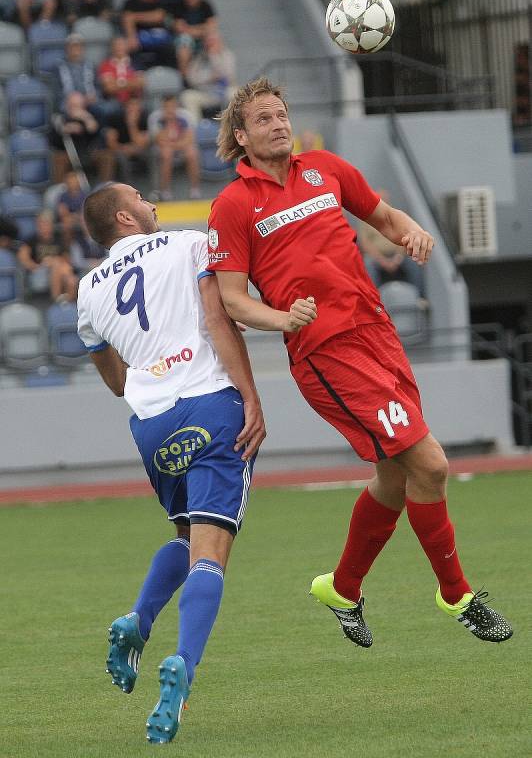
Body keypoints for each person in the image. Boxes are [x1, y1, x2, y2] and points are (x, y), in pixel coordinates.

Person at [206, 76, 513, 647]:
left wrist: (412, 231)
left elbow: (385, 218)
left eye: (282, 113)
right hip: (326, 352)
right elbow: (231, 298)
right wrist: (281, 319)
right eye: (264, 118)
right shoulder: (233, 203)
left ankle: (343, 589)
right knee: (432, 464)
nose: (278, 123)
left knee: (395, 476)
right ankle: (456, 596)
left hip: (375, 332)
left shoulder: (325, 168)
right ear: (241, 136)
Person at [77, 182, 265, 743]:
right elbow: (222, 314)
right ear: (124, 218)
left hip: (152, 424)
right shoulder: (187, 245)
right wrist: (251, 395)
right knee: (213, 551)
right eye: (141, 198)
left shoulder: (87, 291)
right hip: (210, 402)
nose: (152, 204)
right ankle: (184, 666)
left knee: (185, 535)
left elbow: (114, 381)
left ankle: (138, 620)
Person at [358, 188, 425, 297]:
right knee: (367, 264)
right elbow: (366, 244)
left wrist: (397, 258)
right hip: (377, 258)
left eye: (384, 200)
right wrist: (382, 261)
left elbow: (405, 238)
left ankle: (419, 298)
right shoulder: (365, 219)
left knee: (415, 263)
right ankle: (373, 300)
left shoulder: (396, 217)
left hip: (398, 256)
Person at [17, 209, 78, 301]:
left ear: (51, 225)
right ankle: (57, 299)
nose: (43, 227)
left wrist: (53, 260)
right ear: (37, 226)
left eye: (46, 224)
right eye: (40, 224)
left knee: (71, 280)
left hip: (59, 270)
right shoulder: (31, 240)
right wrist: (40, 266)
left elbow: (67, 260)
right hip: (39, 271)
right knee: (62, 269)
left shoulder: (59, 239)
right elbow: (23, 259)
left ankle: (66, 306)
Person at [148, 94, 201, 200]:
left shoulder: (186, 116)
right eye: (167, 107)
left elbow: (189, 139)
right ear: (163, 107)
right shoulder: (155, 118)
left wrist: (175, 145)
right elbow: (159, 140)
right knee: (166, 153)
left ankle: (195, 189)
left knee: (192, 152)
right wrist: (168, 122)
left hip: (181, 145)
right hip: (164, 148)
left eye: (172, 106)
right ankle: (165, 190)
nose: (170, 110)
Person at [181, 30, 236, 123]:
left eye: (213, 41)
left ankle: (232, 128)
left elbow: (229, 76)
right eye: (208, 42)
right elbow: (191, 79)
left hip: (223, 91)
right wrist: (208, 78)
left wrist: (214, 57)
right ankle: (197, 129)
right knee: (187, 96)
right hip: (205, 94)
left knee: (235, 93)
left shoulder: (227, 56)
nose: (211, 44)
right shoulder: (199, 58)